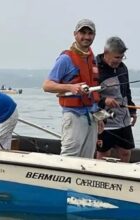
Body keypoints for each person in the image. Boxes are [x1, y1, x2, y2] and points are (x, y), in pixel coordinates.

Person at [42, 19, 104, 158]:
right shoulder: (65, 59)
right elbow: (47, 85)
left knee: (88, 158)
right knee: (69, 157)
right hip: (74, 116)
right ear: (75, 34)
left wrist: (99, 117)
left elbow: (94, 92)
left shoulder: (92, 59)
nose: (87, 37)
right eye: (83, 33)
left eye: (90, 33)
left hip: (92, 117)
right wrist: (70, 87)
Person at [96, 36, 137, 162]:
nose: (119, 61)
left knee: (125, 152)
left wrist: (132, 110)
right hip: (103, 117)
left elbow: (127, 91)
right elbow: (89, 97)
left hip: (123, 118)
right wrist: (104, 101)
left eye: (122, 57)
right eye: (116, 57)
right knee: (104, 153)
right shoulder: (95, 68)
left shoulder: (122, 68)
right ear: (106, 53)